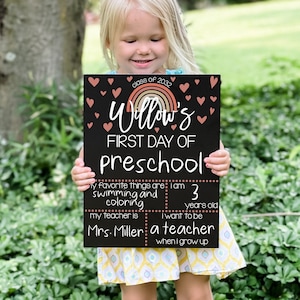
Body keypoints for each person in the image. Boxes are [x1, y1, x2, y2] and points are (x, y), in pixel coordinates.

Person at [71, 0, 246, 299]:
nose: (143, 49)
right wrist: (81, 173)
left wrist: (220, 159)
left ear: (173, 35)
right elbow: (95, 151)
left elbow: (205, 143)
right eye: (130, 40)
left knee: (196, 290)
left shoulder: (187, 87)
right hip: (128, 213)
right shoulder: (105, 93)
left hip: (187, 208)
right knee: (137, 292)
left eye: (155, 38)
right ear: (110, 40)